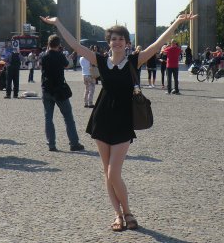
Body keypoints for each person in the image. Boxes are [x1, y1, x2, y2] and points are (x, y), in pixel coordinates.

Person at [41, 13, 196, 232]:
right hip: (102, 117)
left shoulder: (135, 60)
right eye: (113, 39)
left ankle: (128, 211)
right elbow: (75, 45)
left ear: (127, 42)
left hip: (123, 119)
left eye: (121, 39)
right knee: (107, 172)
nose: (117, 42)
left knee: (114, 172)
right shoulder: (100, 61)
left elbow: (158, 43)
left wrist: (178, 23)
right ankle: (118, 215)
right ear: (109, 42)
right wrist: (58, 23)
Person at [38, 35, 85, 152]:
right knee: (68, 117)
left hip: (46, 89)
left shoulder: (43, 56)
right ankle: (74, 143)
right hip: (59, 90)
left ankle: (51, 144)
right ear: (59, 45)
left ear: (48, 44)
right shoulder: (60, 56)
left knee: (48, 117)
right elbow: (67, 65)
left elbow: (40, 66)